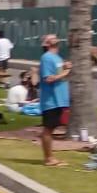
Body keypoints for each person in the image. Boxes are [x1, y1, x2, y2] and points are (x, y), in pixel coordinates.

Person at [37, 34, 71, 167]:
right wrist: (66, 72)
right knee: (48, 129)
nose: (56, 38)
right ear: (47, 43)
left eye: (56, 37)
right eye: (52, 38)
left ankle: (50, 157)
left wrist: (65, 66)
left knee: (51, 128)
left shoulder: (56, 57)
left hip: (59, 99)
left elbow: (59, 72)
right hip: (51, 100)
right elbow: (48, 78)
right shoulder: (46, 57)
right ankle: (48, 158)